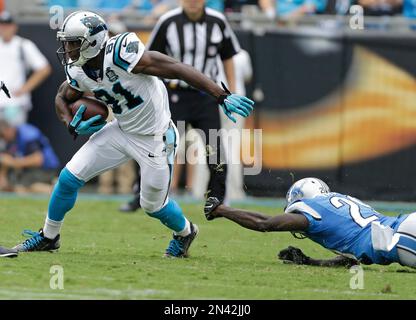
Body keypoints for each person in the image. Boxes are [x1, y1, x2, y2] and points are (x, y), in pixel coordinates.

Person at [12, 11, 254, 258]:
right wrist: (70, 124)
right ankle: (49, 237)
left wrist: (221, 95)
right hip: (121, 129)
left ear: (93, 42)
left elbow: (177, 68)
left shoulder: (122, 53)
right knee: (68, 178)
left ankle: (185, 232)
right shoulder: (79, 70)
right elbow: (62, 97)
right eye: (66, 42)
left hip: (154, 136)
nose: (67, 48)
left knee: (152, 206)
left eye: (73, 42)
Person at [120, 0, 241, 212]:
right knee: (157, 144)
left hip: (206, 96)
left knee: (215, 147)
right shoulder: (168, 21)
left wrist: (231, 92)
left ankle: (217, 199)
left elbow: (228, 56)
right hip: (174, 95)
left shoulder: (218, 21)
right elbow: (148, 60)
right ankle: (140, 194)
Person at [204, 177, 416, 268]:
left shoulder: (310, 209)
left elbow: (265, 223)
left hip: (398, 241)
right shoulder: (339, 203)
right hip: (404, 224)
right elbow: (349, 261)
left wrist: (221, 209)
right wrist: (308, 262)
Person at [0, 11, 51, 126]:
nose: (4, 28)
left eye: (7, 25)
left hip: (14, 105)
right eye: (2, 25)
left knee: (14, 140)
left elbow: (44, 68)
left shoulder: (23, 45)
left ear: (14, 27)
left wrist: (24, 89)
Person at [0, 119, 60, 193]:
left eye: (2, 135)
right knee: (14, 185)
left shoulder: (28, 134)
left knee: (22, 187)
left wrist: (15, 163)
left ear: (8, 129)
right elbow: (6, 159)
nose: (2, 139)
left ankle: (57, 188)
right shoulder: (9, 139)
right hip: (30, 170)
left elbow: (38, 159)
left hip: (47, 168)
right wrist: (2, 176)